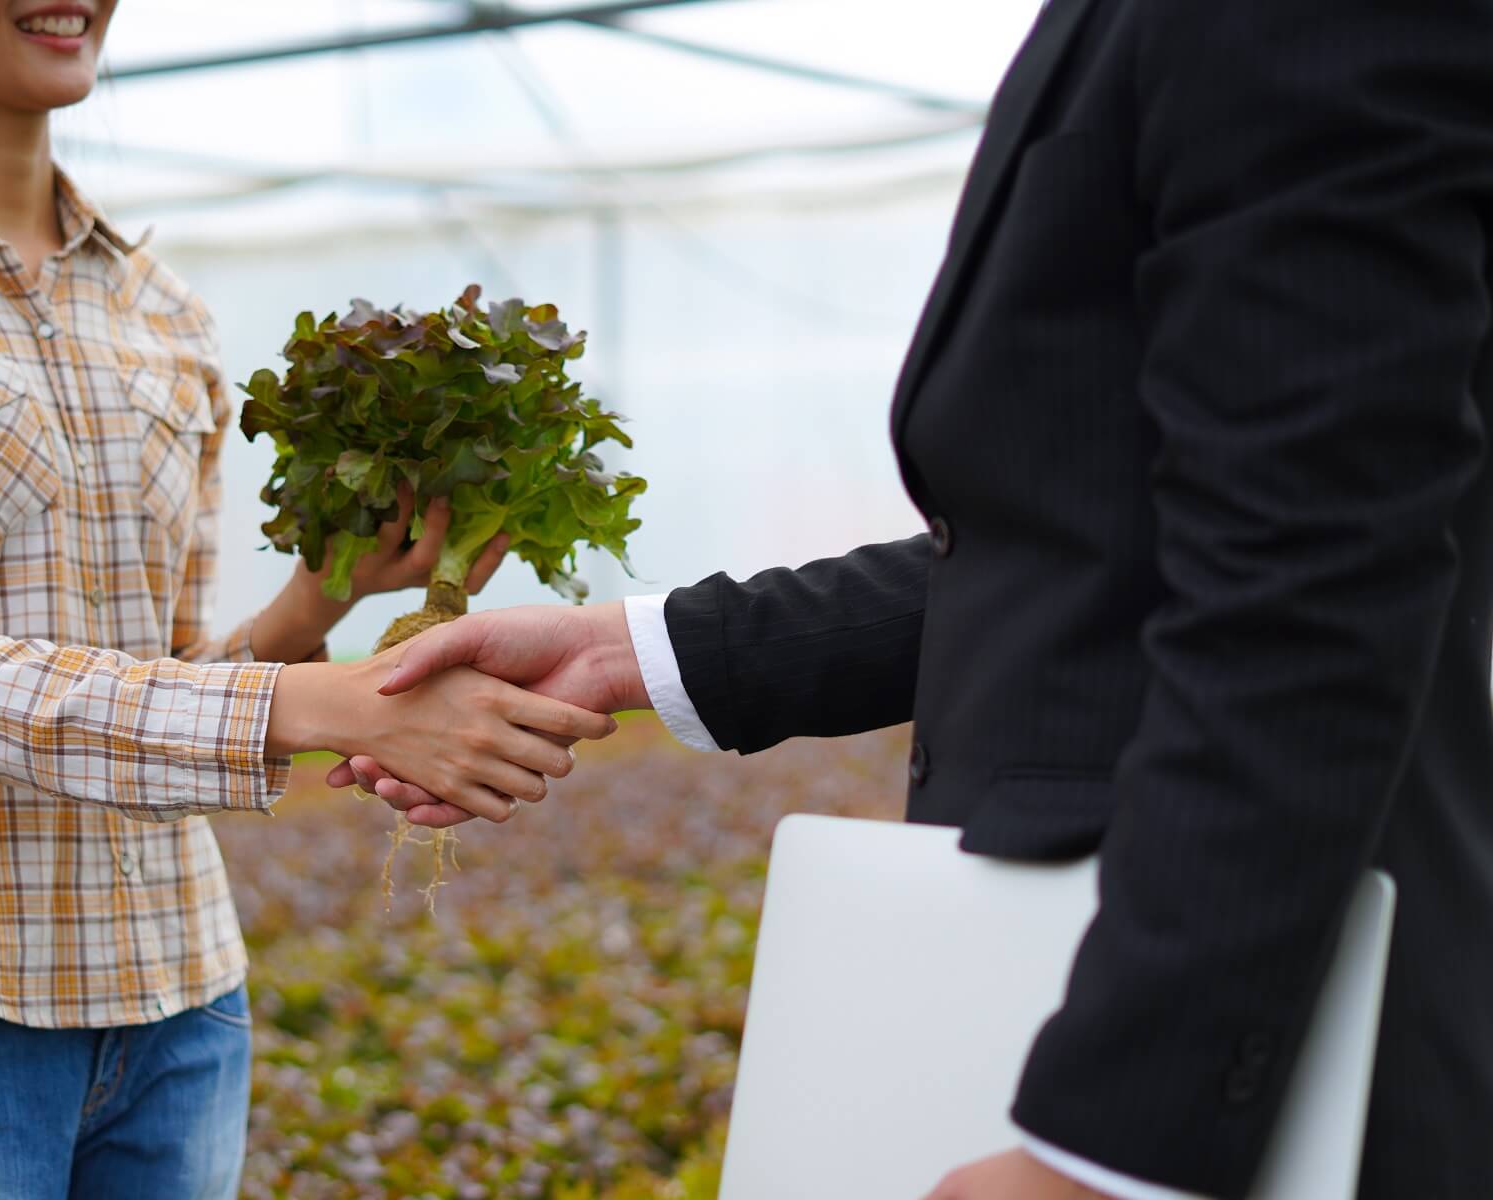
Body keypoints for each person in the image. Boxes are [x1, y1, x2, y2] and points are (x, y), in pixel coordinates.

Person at [336, 0, 1493, 1196]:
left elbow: (1308, 586)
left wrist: (1104, 1151)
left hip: (1237, 1084)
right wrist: (635, 650)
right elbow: (1090, 548)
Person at [0, 1, 615, 1195]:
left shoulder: (161, 309)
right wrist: (318, 702)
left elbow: (171, 663)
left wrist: (320, 601)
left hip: (176, 992)